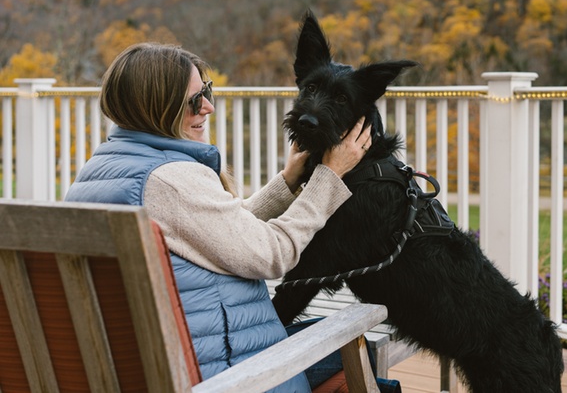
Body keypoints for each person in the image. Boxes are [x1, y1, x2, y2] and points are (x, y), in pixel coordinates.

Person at [65, 42, 383, 393]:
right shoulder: (171, 180)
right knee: (353, 346)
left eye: (207, 91)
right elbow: (271, 253)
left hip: (142, 369)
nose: (208, 107)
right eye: (193, 101)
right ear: (153, 109)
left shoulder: (101, 171)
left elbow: (212, 232)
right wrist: (328, 177)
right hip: (225, 377)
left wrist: (287, 181)